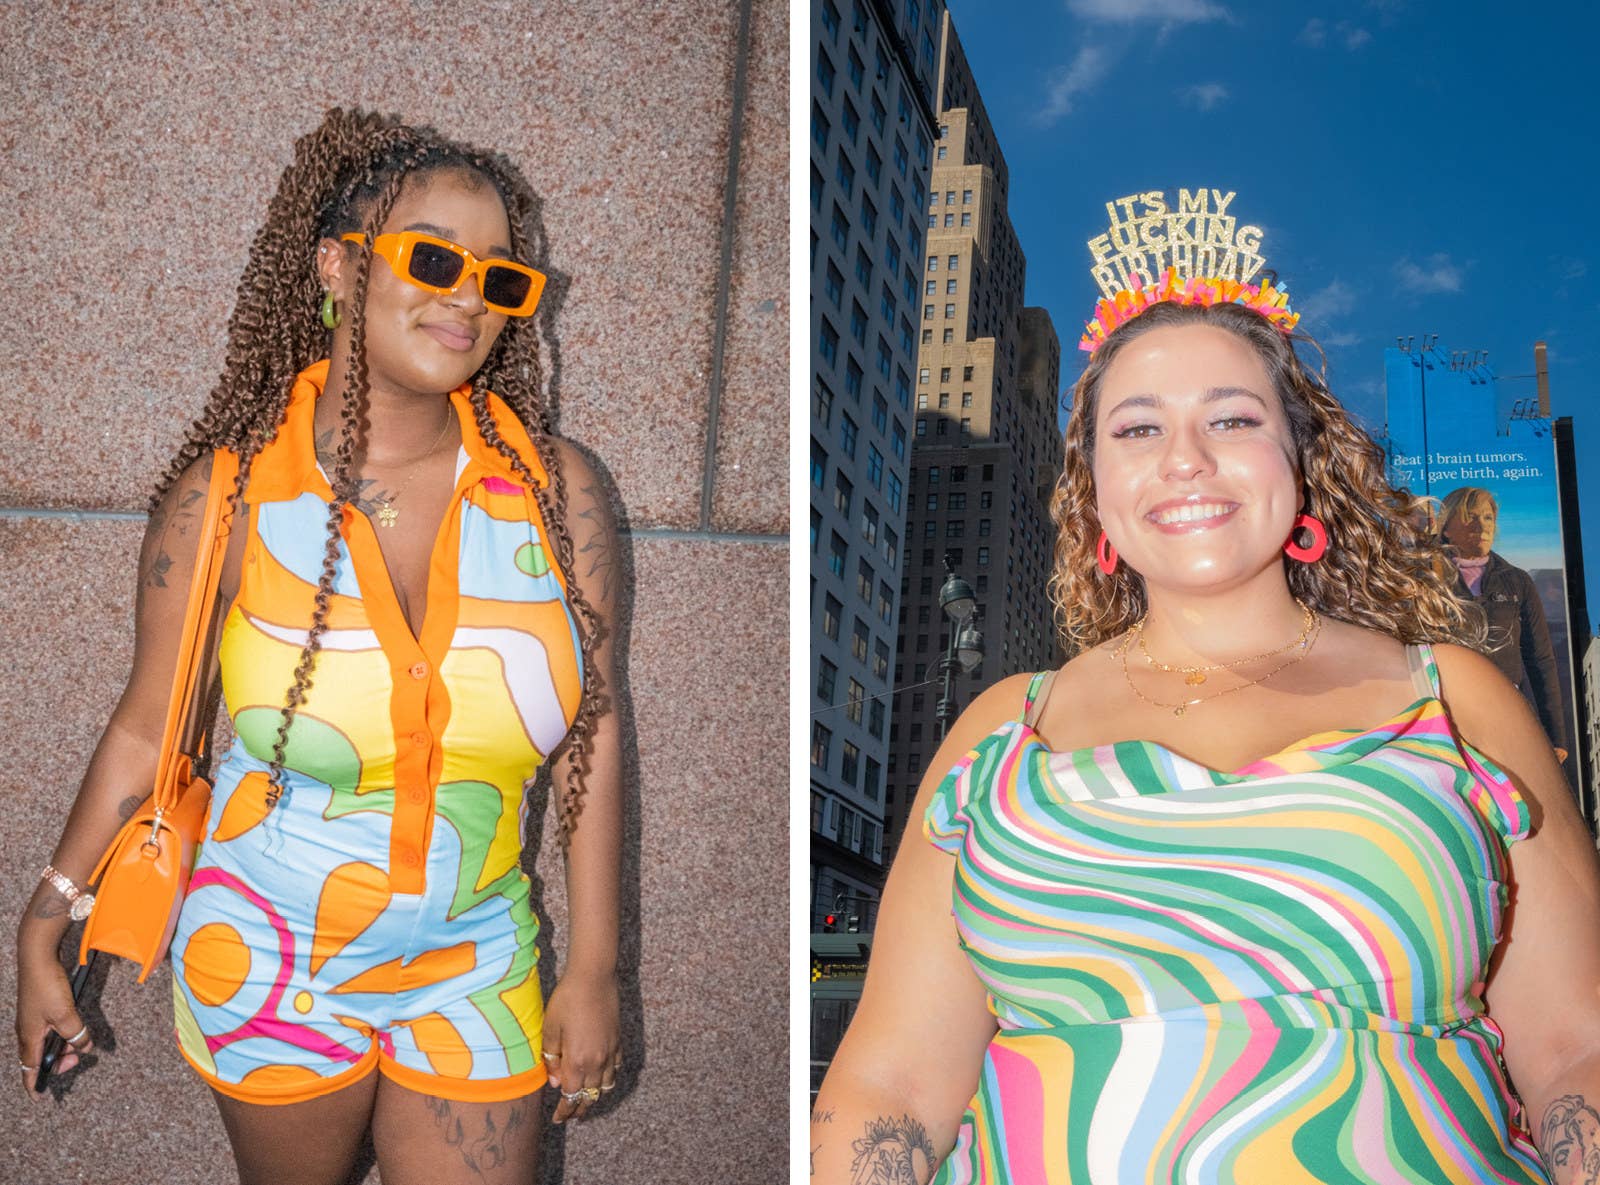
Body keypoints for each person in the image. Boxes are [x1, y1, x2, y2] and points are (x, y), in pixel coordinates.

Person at [812, 291, 1600, 1183]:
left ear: (1301, 462)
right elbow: (893, 1086)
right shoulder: (1001, 731)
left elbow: (1577, 1052)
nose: (1185, 459)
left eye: (1230, 417)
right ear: (1093, 488)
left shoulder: (1452, 700)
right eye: (1139, 430)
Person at [14, 109, 624, 1184]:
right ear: (338, 270)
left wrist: (596, 964)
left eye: (503, 279)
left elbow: (591, 731)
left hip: (478, 961)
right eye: (434, 258)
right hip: (265, 954)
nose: (470, 297)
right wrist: (44, 922)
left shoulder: (556, 494)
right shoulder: (231, 496)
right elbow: (146, 724)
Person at [1438, 485, 1569, 762]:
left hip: (1505, 712)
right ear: (1446, 527)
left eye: (1487, 518)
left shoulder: (1517, 581)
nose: (1481, 526)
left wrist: (1555, 736)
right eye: (1470, 516)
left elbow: (1540, 659)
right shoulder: (1426, 578)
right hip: (1446, 715)